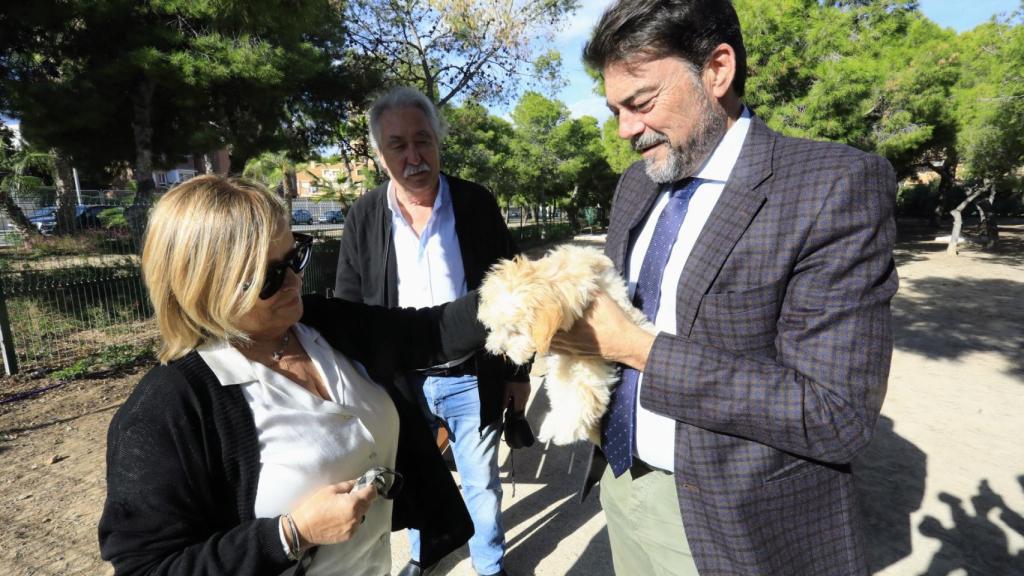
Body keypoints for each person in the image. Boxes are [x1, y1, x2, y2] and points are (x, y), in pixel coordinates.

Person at [551, 1, 899, 574]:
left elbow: (836, 415)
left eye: (641, 103)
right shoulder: (636, 185)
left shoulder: (832, 186)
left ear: (717, 70)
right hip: (619, 482)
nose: (625, 130)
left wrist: (635, 348)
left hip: (732, 522)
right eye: (615, 109)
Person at [98, 175, 483, 576]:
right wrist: (290, 535)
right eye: (268, 276)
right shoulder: (168, 408)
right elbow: (147, 567)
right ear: (204, 286)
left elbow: (428, 332)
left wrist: (526, 290)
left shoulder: (322, 325)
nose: (295, 280)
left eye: (294, 256)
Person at [335, 86, 529, 576]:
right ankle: (427, 560)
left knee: (480, 483)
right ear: (381, 156)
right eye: (398, 145)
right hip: (399, 383)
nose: (414, 156)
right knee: (417, 479)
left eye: (423, 140)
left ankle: (490, 567)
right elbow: (349, 307)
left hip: (472, 374)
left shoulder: (475, 204)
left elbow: (514, 289)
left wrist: (518, 372)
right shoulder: (364, 216)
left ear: (439, 143)